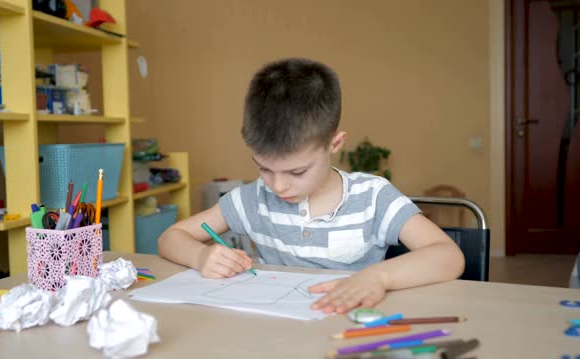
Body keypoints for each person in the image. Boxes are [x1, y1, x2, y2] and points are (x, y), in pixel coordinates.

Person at [158, 58, 465, 314]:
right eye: (263, 167)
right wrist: (201, 257)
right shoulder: (252, 199)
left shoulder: (373, 197)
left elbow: (448, 256)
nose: (278, 185)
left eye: (297, 171)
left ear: (335, 144)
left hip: (346, 325)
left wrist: (378, 277)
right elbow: (171, 237)